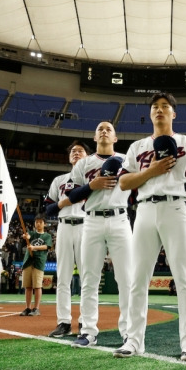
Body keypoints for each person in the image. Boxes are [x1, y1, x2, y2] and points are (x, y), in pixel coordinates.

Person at [114, 92, 186, 361]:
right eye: (155, 107)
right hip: (144, 209)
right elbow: (123, 183)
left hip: (176, 207)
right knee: (138, 279)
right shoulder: (137, 147)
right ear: (150, 113)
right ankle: (134, 340)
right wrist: (150, 172)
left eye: (165, 106)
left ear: (173, 114)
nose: (159, 110)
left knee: (184, 278)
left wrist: (184, 197)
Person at [65, 121, 133, 348]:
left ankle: (129, 332)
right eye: (100, 129)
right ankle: (88, 331)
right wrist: (92, 186)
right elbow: (71, 195)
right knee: (89, 279)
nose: (104, 131)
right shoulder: (84, 163)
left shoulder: (127, 158)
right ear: (95, 138)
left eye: (109, 129)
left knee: (125, 279)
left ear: (115, 138)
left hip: (120, 218)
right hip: (91, 220)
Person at [44, 140, 90, 336]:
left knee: (88, 277)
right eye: (73, 151)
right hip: (63, 227)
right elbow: (48, 209)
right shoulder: (59, 180)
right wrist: (66, 201)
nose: (76, 153)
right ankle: (64, 322)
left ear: (88, 156)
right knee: (63, 278)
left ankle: (85, 322)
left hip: (86, 226)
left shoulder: (92, 178)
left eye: (80, 151)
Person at [19, 214, 53, 317]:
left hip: (39, 262)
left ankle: (36, 308)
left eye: (40, 222)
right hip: (28, 262)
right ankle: (28, 308)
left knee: (37, 286)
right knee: (28, 286)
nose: (38, 224)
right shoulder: (32, 233)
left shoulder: (47, 236)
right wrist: (26, 237)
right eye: (36, 222)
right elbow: (28, 236)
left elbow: (46, 246)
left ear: (44, 224)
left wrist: (34, 247)